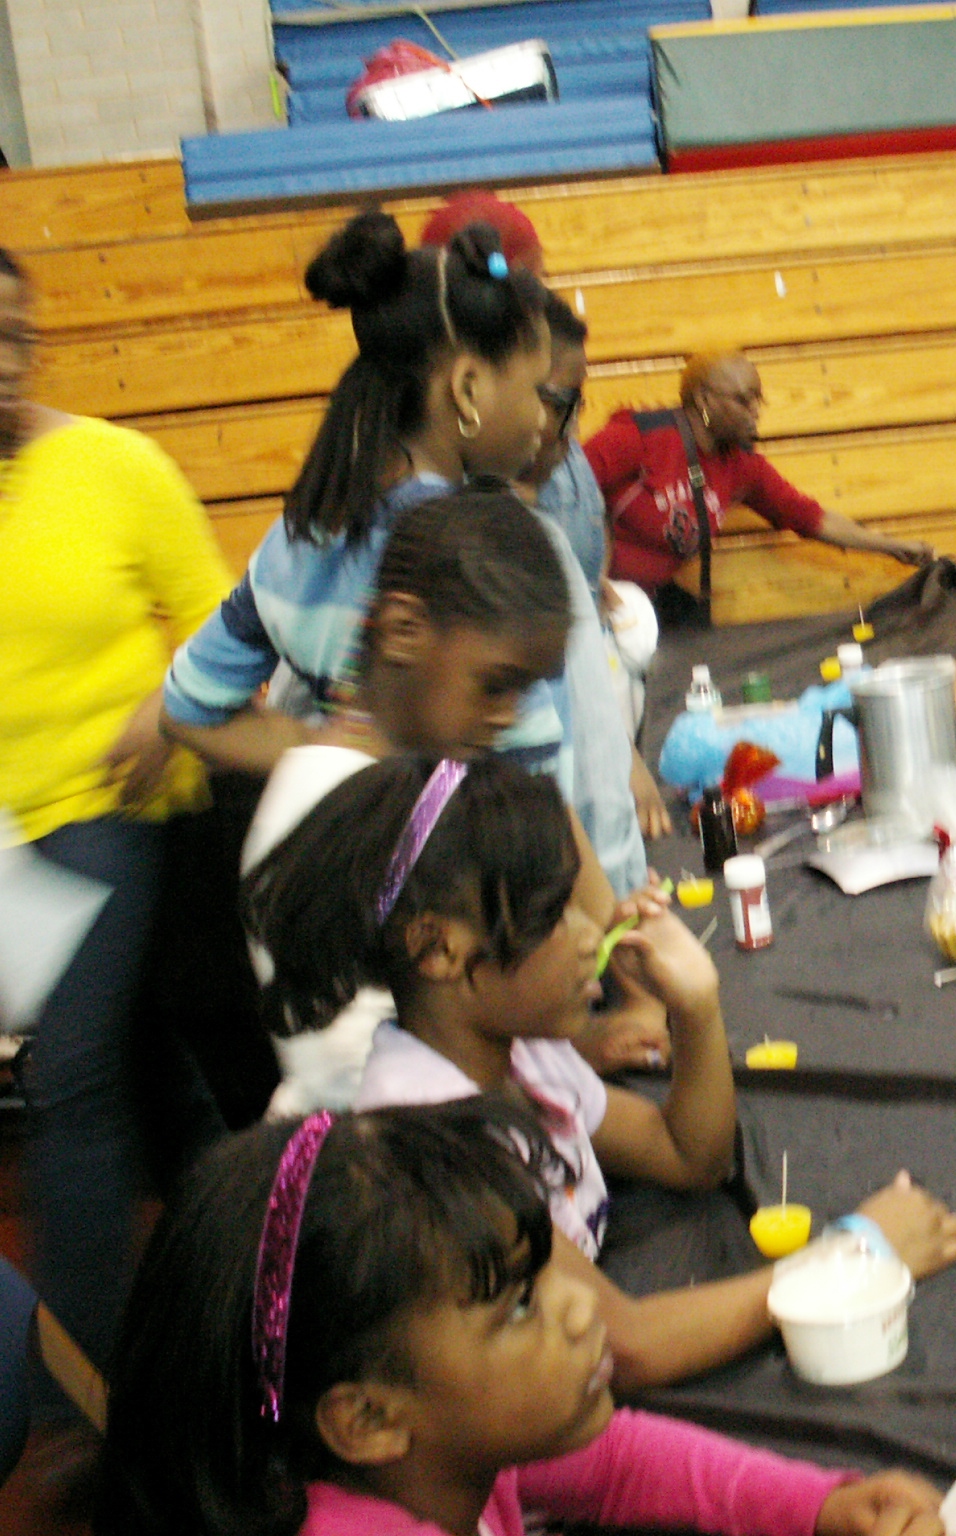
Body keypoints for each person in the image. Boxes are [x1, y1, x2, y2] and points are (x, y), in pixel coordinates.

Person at [242, 753, 956, 1388]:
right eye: (552, 916)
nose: (593, 934)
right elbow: (625, 1345)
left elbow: (688, 1156)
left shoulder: (515, 1052)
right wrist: (853, 1254)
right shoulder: (432, 1143)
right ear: (437, 949)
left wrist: (695, 1007)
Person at [96, 1099, 947, 1536]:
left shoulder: (438, 1451)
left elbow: (613, 1464)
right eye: (519, 1307)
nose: (581, 1307)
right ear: (367, 1419)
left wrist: (816, 1507)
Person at [241, 488, 667, 1111]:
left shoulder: (448, 779)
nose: (508, 716)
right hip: (399, 1148)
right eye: (495, 686)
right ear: (403, 631)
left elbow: (592, 904)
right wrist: (569, 1051)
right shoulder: (323, 809)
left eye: (524, 691)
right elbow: (353, 1071)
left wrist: (628, 971)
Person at [0, 246, 235, 1370]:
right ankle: (258, 1272)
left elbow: (223, 623)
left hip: (112, 805)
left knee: (72, 1076)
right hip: (7, 842)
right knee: (154, 1079)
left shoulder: (114, 465)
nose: (5, 364)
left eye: (16, 337)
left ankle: (79, 1389)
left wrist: (162, 704)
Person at [162, 211, 557, 778]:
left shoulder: (300, 539)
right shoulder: (483, 556)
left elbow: (186, 712)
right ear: (468, 388)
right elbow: (534, 777)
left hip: (360, 831)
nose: (543, 416)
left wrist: (333, 754)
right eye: (537, 390)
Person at [586, 351, 935, 612]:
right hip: (595, 596)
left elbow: (811, 518)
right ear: (704, 399)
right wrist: (592, 580)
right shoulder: (639, 437)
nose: (756, 410)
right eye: (743, 399)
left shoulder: (742, 465)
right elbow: (568, 489)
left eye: (759, 399)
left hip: (645, 604)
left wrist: (891, 546)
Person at [518, 293, 667, 868]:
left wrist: (595, 575)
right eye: (563, 402)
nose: (567, 424)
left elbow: (587, 517)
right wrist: (623, 758)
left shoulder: (562, 466)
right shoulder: (509, 535)